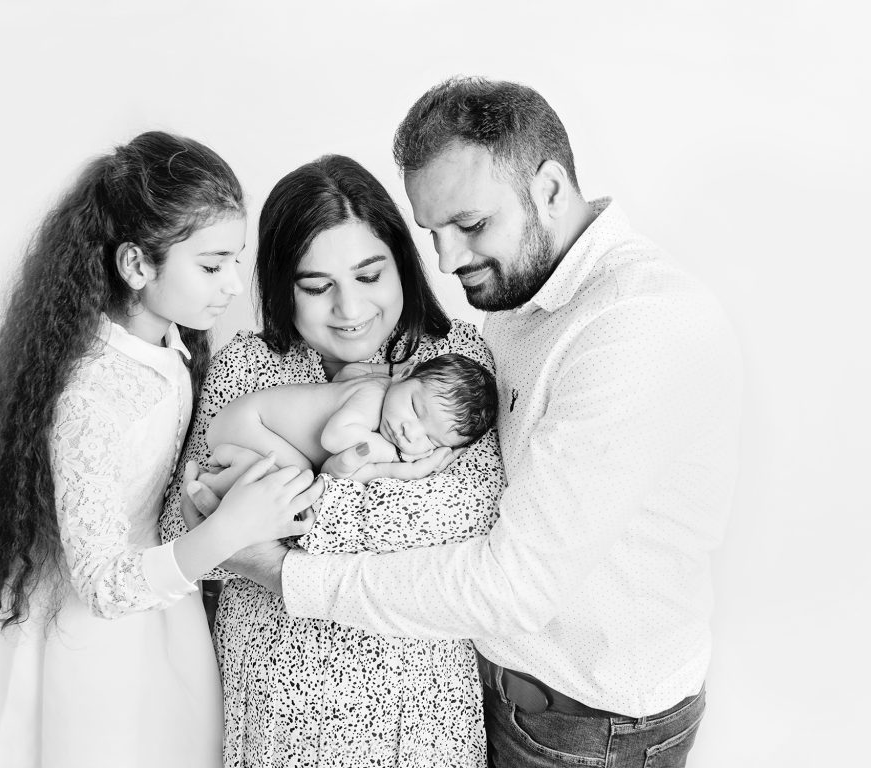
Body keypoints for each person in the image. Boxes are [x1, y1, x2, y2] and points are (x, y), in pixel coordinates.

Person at [190, 79, 743, 767]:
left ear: (548, 189)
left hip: (589, 722)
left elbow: (494, 556)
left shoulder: (635, 330)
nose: (448, 261)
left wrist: (274, 557)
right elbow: (187, 530)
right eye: (434, 234)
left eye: (471, 225)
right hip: (487, 692)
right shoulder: (516, 302)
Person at [0, 131, 321, 768]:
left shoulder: (169, 344)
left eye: (235, 260)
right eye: (211, 266)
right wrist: (232, 529)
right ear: (136, 265)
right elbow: (100, 585)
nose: (234, 284)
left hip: (162, 609)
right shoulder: (92, 395)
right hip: (100, 640)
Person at [159, 154, 506, 768]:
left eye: (370, 277)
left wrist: (258, 528)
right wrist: (228, 533)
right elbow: (177, 535)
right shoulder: (245, 364)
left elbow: (466, 524)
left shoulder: (456, 368)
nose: (349, 310)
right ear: (280, 283)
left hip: (415, 716)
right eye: (317, 287)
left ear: (403, 263)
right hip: (274, 714)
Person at [207, 352, 498, 469]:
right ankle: (220, 473)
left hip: (245, 425)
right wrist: (394, 455)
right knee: (302, 478)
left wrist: (390, 372)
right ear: (405, 374)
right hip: (249, 422)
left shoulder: (382, 386)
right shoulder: (373, 395)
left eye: (431, 441)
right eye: (413, 407)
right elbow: (333, 439)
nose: (411, 431)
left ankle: (225, 465)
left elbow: (346, 373)